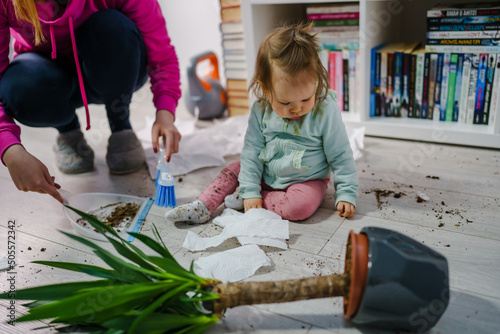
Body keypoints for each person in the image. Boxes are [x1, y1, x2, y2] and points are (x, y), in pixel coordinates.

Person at [166, 22, 358, 223]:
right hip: (265, 173)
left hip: (306, 180)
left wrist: (346, 193)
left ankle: (247, 200)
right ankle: (203, 205)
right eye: (285, 102)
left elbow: (341, 154)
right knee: (234, 168)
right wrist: (251, 187)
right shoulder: (261, 110)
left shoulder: (325, 110)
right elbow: (252, 151)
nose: (297, 108)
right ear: (266, 90)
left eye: (306, 99)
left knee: (300, 207)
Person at [0, 0, 182, 203]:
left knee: (113, 26)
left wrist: (165, 112)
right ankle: (68, 130)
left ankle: (120, 122)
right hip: (47, 80)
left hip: (110, 69)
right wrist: (9, 148)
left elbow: (162, 58)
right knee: (20, 86)